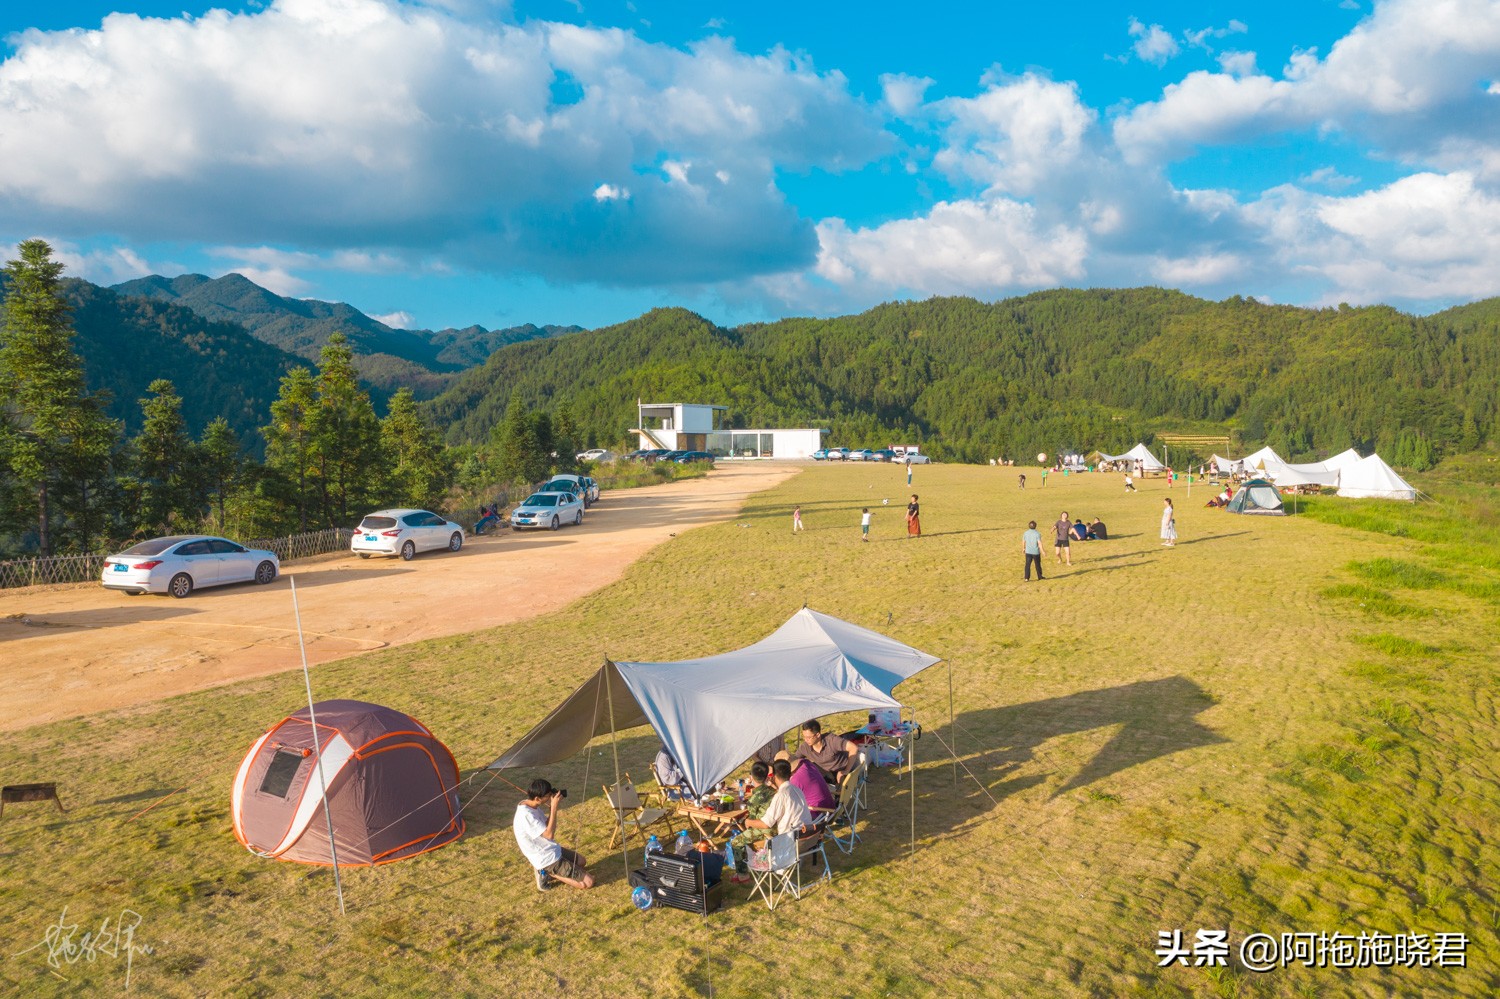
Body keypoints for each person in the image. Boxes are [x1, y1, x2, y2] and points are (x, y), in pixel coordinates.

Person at [514, 778, 594, 892]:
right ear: (537, 798)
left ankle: (552, 871)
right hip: (545, 857)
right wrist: (554, 807)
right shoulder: (527, 815)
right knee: (587, 883)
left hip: (550, 848)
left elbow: (546, 826)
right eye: (548, 795)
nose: (550, 797)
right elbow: (549, 835)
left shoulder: (531, 805)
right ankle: (546, 871)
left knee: (581, 861)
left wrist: (551, 807)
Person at [793, 719, 858, 783]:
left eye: (808, 737)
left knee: (841, 790)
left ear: (818, 735)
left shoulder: (831, 740)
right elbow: (794, 760)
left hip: (841, 771)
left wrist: (846, 770)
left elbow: (853, 748)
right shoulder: (805, 747)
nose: (806, 740)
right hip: (824, 774)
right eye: (804, 737)